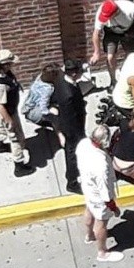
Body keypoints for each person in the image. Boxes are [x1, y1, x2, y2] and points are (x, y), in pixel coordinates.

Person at [77, 125, 125, 263]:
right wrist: (113, 207)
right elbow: (105, 192)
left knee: (89, 209)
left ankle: (89, 235)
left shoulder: (83, 144)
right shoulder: (100, 165)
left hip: (87, 187)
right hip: (99, 197)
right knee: (101, 223)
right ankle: (102, 252)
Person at [0, 49, 35, 177]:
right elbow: (0, 105)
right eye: (10, 63)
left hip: (5, 112)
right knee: (17, 138)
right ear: (5, 65)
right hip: (7, 113)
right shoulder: (0, 85)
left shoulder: (3, 74)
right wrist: (9, 121)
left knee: (1, 127)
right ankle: (19, 165)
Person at [89, 0, 134, 89]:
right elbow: (96, 33)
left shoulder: (130, 9)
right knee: (110, 57)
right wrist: (96, 53)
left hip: (128, 30)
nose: (106, 19)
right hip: (111, 32)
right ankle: (113, 82)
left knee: (131, 56)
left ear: (116, 12)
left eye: (108, 17)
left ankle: (130, 80)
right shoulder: (102, 11)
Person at [52, 59, 88, 194]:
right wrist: (79, 134)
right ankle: (72, 182)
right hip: (73, 129)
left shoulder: (61, 79)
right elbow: (71, 118)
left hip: (70, 126)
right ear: (73, 74)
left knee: (72, 151)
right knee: (72, 153)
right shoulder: (69, 94)